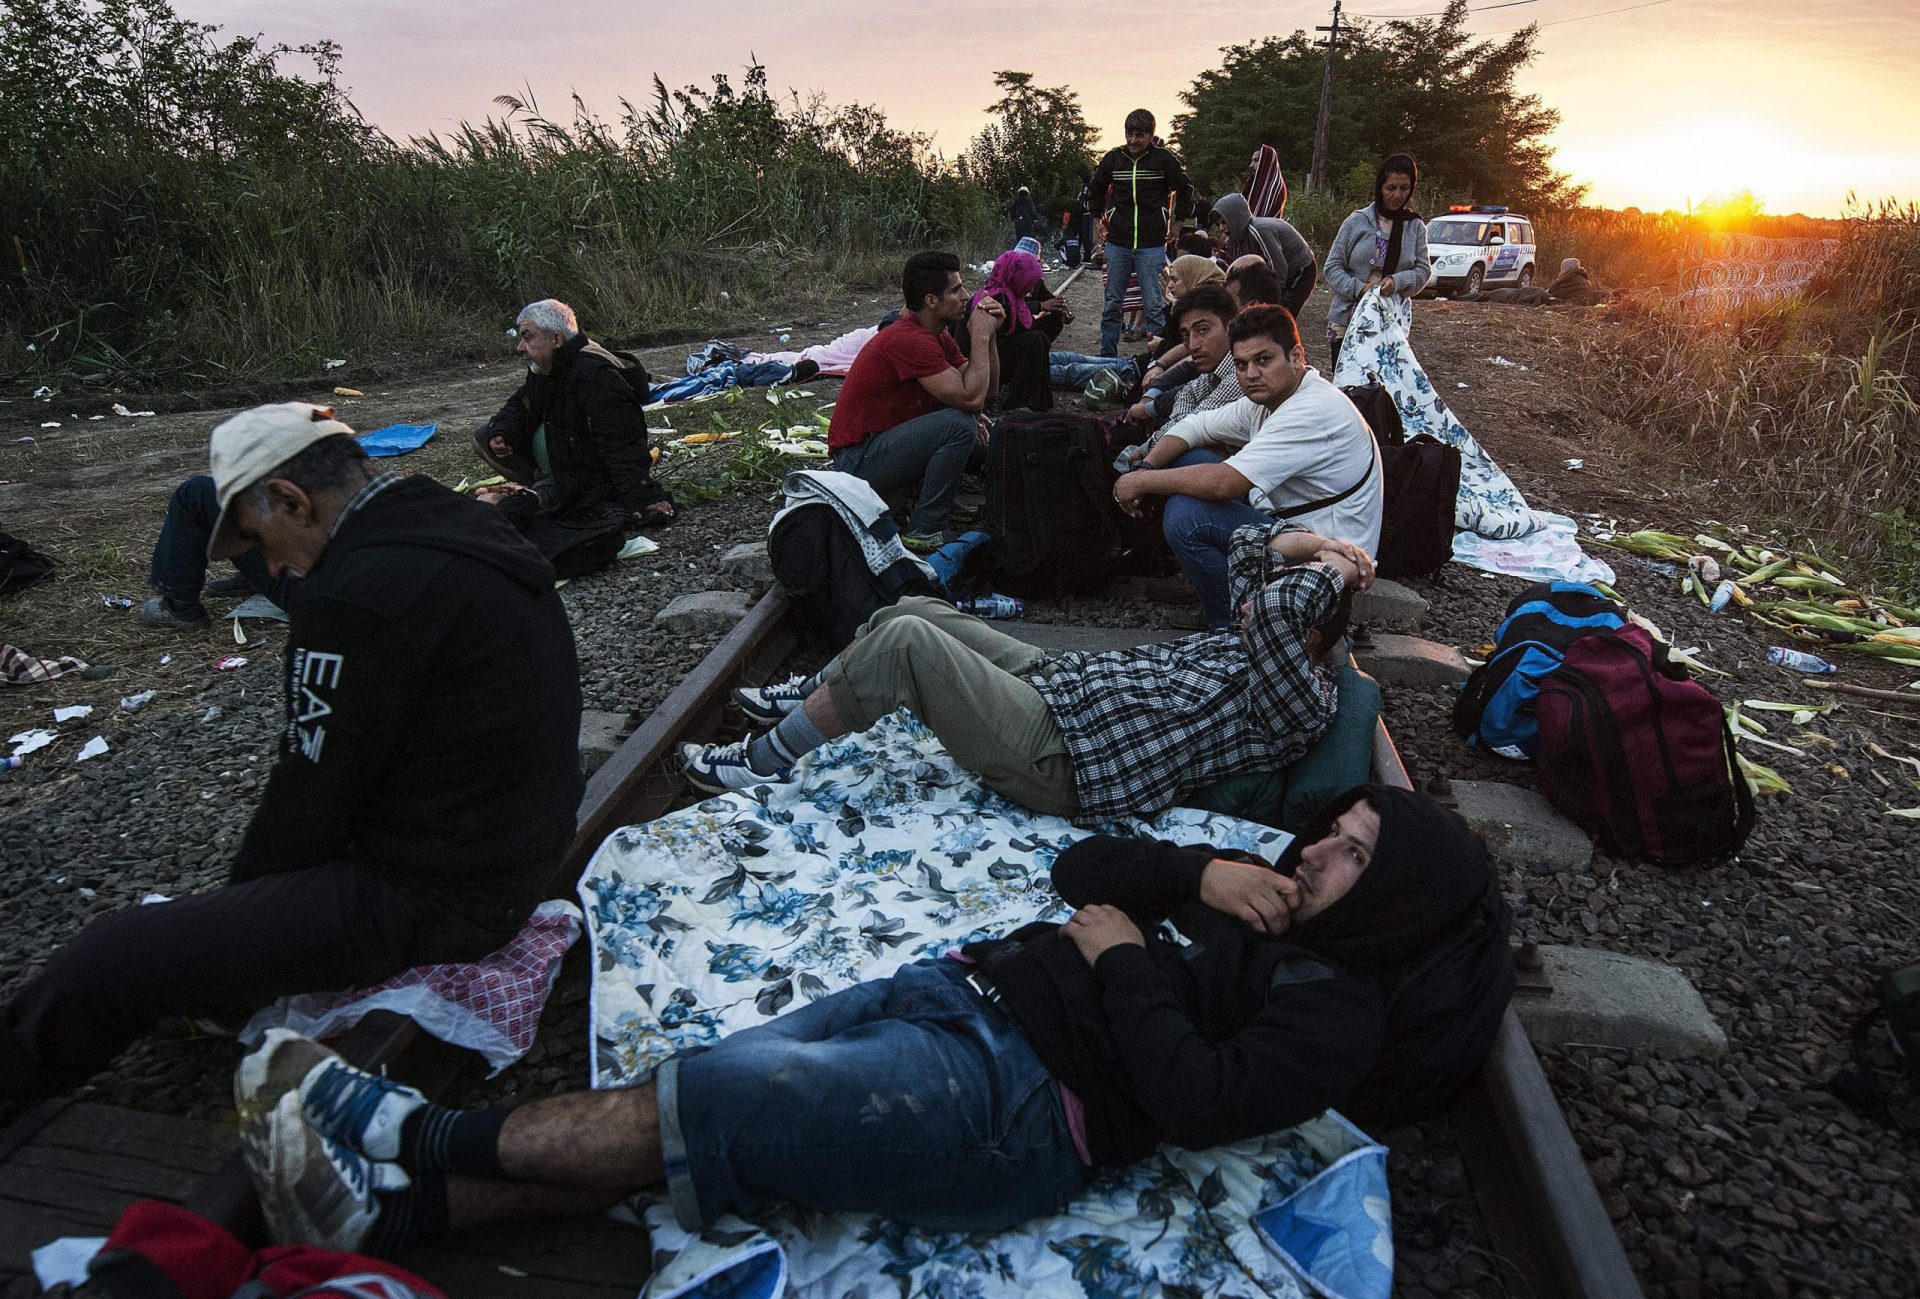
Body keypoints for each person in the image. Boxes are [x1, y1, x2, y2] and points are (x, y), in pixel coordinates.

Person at [235, 782, 1511, 1254]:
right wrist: (1188, 874)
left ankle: (407, 1132)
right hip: (963, 989)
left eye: (1348, 855)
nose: (1312, 851)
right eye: (1332, 829)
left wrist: (1125, 958)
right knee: (703, 1098)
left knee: (735, 1106)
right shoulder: (1257, 898)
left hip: (1020, 1106)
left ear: (1390, 907)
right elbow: (1078, 875)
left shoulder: (1334, 1010)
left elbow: (1194, 1101)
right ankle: (389, 1215)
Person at [0, 404, 584, 1110]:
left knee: (112, 954)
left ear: (290, 500)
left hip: (444, 893)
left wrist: (243, 933)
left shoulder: (355, 596)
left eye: (258, 539)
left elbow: (309, 790)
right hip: (515, 842)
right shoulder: (454, 522)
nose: (270, 565)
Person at [681, 522, 1367, 816]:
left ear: (1307, 630)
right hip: (1065, 684)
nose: (1246, 610)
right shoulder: (1272, 645)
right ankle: (813, 698)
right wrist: (1327, 544)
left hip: (1065, 755)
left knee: (908, 644)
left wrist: (1340, 566)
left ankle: (766, 759)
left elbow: (1276, 604)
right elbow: (1251, 544)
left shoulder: (1298, 697)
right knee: (913, 609)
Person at [1115, 306, 1382, 629]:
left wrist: (1141, 482)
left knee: (1187, 516)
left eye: (1263, 360)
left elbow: (1224, 484)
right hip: (1291, 524)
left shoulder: (1311, 410)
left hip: (1331, 556)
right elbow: (1195, 425)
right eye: (1241, 364)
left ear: (1296, 356)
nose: (1251, 374)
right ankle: (1226, 597)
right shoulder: (1271, 397)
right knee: (1189, 457)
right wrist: (1147, 465)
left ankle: (1228, 626)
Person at [827, 251, 1002, 550]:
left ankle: (926, 502)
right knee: (960, 423)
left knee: (972, 425)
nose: (966, 296)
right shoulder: (909, 339)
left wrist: (992, 336)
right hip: (857, 459)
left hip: (882, 445)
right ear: (931, 301)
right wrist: (979, 337)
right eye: (956, 290)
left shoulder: (936, 333)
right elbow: (972, 399)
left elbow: (988, 390)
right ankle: (925, 528)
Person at [473, 299, 678, 530]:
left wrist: (641, 497)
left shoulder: (594, 378)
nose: (520, 347)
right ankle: (541, 486)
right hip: (561, 463)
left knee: (498, 511)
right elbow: (521, 404)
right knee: (483, 436)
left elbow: (623, 444)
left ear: (557, 339)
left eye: (528, 336)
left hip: (584, 479)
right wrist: (502, 431)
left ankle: (548, 494)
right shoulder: (546, 369)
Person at [1090, 110, 1193, 355]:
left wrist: (1178, 224)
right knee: (1113, 303)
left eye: (1139, 135)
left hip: (1151, 244)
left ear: (1150, 136)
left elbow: (1185, 189)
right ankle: (1107, 357)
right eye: (1129, 134)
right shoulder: (1114, 159)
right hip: (1118, 242)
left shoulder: (1163, 160)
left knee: (1154, 305)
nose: (1133, 140)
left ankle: (1157, 358)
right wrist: (1097, 219)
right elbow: (1096, 188)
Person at [140, 475, 298, 630]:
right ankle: (253, 577)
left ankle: (178, 606)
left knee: (194, 494)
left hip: (309, 592)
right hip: (309, 580)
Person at [1323, 152, 1432, 368]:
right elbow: (1332, 267)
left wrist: (1397, 281)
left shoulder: (1415, 227)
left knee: (1382, 391)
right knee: (1349, 391)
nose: (1397, 195)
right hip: (1348, 321)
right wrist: (1359, 288)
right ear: (1380, 187)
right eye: (1391, 188)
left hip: (1392, 323)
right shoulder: (1357, 222)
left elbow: (1423, 270)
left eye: (1404, 188)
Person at [1120, 284, 1244, 437]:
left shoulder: (1240, 372)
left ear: (1230, 327)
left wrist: (1144, 451)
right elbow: (1186, 393)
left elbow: (1189, 429)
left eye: (1203, 329)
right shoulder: (1213, 370)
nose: (1192, 345)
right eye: (1185, 335)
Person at [960, 249, 1058, 413]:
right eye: (1030, 283)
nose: (1032, 290)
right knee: (1034, 342)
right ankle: (1019, 404)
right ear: (1018, 277)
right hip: (976, 367)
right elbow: (985, 346)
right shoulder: (996, 298)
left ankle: (1037, 401)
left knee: (1040, 337)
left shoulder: (1011, 297)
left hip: (993, 358)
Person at [1211, 193, 1317, 318]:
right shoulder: (1234, 241)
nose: (1221, 228)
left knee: (1281, 314)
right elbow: (1242, 270)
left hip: (1300, 269)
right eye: (1218, 224)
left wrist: (1272, 301)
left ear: (1236, 218)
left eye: (1224, 222)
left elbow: (1278, 267)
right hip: (1279, 272)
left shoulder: (1259, 231)